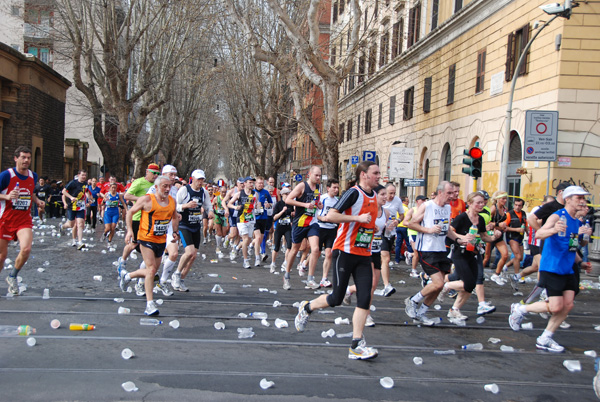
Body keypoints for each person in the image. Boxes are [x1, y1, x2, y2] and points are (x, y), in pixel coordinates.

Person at [294, 161, 381, 360]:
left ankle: (356, 345)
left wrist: (372, 228)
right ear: (364, 175)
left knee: (365, 297)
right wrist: (357, 219)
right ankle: (306, 308)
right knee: (336, 299)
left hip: (364, 255)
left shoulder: (375, 196)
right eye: (375, 173)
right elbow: (331, 216)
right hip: (345, 252)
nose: (379, 176)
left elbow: (368, 223)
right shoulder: (353, 193)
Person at [508, 186, 592, 352]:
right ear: (568, 199)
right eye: (579, 198)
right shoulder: (558, 216)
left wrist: (581, 262)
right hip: (552, 266)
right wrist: (554, 229)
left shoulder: (576, 222)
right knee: (555, 307)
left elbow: (571, 246)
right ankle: (520, 309)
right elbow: (539, 234)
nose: (582, 201)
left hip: (567, 268)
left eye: (583, 198)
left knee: (567, 305)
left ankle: (545, 338)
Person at [118, 175, 179, 316]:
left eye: (169, 186)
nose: (168, 189)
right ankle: (150, 304)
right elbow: (130, 212)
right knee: (151, 270)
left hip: (160, 240)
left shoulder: (172, 201)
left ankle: (128, 276)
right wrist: (129, 231)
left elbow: (175, 217)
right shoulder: (147, 200)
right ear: (156, 187)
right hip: (145, 238)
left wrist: (175, 231)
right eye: (164, 186)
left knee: (152, 271)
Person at [438, 192, 501, 322]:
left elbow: (483, 236)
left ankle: (454, 310)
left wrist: (494, 237)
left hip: (473, 253)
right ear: (470, 204)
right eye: (478, 202)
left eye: (483, 202)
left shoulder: (481, 219)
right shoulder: (462, 218)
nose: (481, 204)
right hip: (459, 253)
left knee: (471, 285)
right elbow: (450, 232)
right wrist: (463, 238)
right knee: (468, 283)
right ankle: (447, 286)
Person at [404, 181, 456, 326]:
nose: (452, 196)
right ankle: (413, 300)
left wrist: (459, 239)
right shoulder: (427, 206)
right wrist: (428, 230)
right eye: (449, 193)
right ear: (440, 192)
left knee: (439, 285)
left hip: (441, 249)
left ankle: (421, 313)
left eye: (453, 193)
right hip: (426, 249)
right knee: (438, 283)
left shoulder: (447, 207)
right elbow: (410, 223)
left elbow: (447, 229)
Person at [0, 146, 45, 295]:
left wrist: (37, 201)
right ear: (16, 158)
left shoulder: (33, 176)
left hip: (23, 220)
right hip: (5, 219)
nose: (26, 160)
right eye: (23, 157)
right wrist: (6, 197)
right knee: (2, 256)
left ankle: (12, 276)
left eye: (29, 158)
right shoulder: (6, 175)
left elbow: (30, 192)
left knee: (26, 249)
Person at [344, 184, 388, 327]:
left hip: (376, 250)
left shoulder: (386, 213)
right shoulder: (368, 209)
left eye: (386, 194)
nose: (385, 197)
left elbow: (385, 234)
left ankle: (350, 289)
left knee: (374, 285)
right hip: (364, 249)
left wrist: (390, 227)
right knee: (369, 285)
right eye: (382, 194)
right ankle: (366, 315)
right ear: (375, 196)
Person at [117, 163, 160, 295]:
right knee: (134, 244)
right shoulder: (139, 182)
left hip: (150, 219)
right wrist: (142, 200)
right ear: (147, 172)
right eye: (154, 173)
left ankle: (145, 275)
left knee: (148, 247)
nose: (155, 176)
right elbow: (127, 196)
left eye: (158, 174)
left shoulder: (157, 185)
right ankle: (122, 261)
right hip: (138, 217)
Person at [282, 166, 323, 290]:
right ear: (309, 174)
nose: (318, 178)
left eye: (320, 175)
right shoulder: (302, 186)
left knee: (315, 249)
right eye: (316, 175)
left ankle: (310, 279)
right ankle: (287, 275)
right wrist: (304, 204)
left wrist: (319, 205)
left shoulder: (318, 188)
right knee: (294, 250)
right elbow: (288, 200)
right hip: (300, 223)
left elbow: (315, 202)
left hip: (312, 222)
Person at [172, 169, 212, 291]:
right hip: (184, 225)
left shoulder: (204, 192)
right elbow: (174, 206)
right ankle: (176, 274)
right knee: (189, 252)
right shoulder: (184, 190)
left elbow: (208, 205)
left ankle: (181, 279)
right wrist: (186, 206)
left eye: (202, 180)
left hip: (196, 225)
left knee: (193, 256)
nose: (200, 182)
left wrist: (210, 212)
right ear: (192, 179)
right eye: (198, 179)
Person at [227, 177, 257, 269]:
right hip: (241, 219)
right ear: (245, 183)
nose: (252, 184)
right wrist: (235, 207)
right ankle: (245, 260)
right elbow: (229, 203)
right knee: (245, 239)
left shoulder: (255, 194)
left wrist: (259, 208)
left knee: (248, 240)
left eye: (252, 183)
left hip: (251, 219)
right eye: (250, 182)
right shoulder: (239, 194)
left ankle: (236, 248)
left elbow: (257, 204)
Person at [316, 179, 339, 287]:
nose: (336, 190)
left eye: (337, 188)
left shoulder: (337, 201)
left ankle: (324, 279)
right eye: (334, 187)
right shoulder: (322, 198)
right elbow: (314, 213)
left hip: (332, 228)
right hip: (321, 227)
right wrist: (322, 218)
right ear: (328, 188)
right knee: (317, 252)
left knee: (329, 253)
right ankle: (304, 264)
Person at [61, 170, 92, 250]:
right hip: (72, 206)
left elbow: (86, 192)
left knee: (80, 224)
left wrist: (89, 200)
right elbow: (63, 191)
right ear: (78, 175)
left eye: (85, 175)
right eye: (82, 175)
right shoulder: (73, 183)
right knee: (71, 224)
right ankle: (63, 226)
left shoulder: (85, 184)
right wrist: (71, 197)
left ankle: (80, 242)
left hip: (81, 207)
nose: (84, 177)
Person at [486, 192, 509, 282]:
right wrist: (498, 225)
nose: (505, 200)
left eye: (506, 198)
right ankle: (476, 276)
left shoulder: (504, 209)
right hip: (490, 235)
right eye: (503, 199)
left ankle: (496, 274)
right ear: (498, 199)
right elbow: (487, 223)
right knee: (486, 258)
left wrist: (504, 227)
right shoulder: (493, 209)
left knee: (505, 255)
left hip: (499, 236)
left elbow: (503, 222)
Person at [269, 187, 293, 273]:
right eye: (286, 194)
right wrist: (282, 211)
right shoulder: (279, 204)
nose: (288, 195)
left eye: (289, 194)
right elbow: (274, 217)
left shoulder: (290, 204)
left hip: (287, 227)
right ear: (282, 194)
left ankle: (285, 263)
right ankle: (273, 263)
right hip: (279, 227)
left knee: (290, 246)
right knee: (276, 247)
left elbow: (292, 215)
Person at [505, 198, 527, 290]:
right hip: (512, 237)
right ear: (513, 205)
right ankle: (516, 276)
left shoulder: (524, 214)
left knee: (520, 257)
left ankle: (505, 266)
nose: (517, 207)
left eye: (519, 205)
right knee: (517, 256)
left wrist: (529, 233)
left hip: (520, 237)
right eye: (516, 205)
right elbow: (505, 227)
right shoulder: (509, 214)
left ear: (522, 206)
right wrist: (516, 229)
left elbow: (525, 225)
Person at [253, 177, 273, 266]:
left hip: (263, 217)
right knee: (257, 238)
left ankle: (252, 246)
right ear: (255, 184)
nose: (260, 185)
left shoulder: (266, 193)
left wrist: (268, 205)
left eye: (262, 183)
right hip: (254, 218)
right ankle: (257, 257)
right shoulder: (252, 192)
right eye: (259, 183)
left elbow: (271, 204)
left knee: (260, 239)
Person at [213, 182, 228, 259]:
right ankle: (218, 247)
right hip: (217, 216)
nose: (223, 193)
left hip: (224, 217)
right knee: (219, 232)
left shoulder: (228, 198)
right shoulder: (216, 198)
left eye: (225, 192)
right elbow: (212, 205)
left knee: (224, 234)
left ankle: (221, 243)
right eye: (222, 192)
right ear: (220, 191)